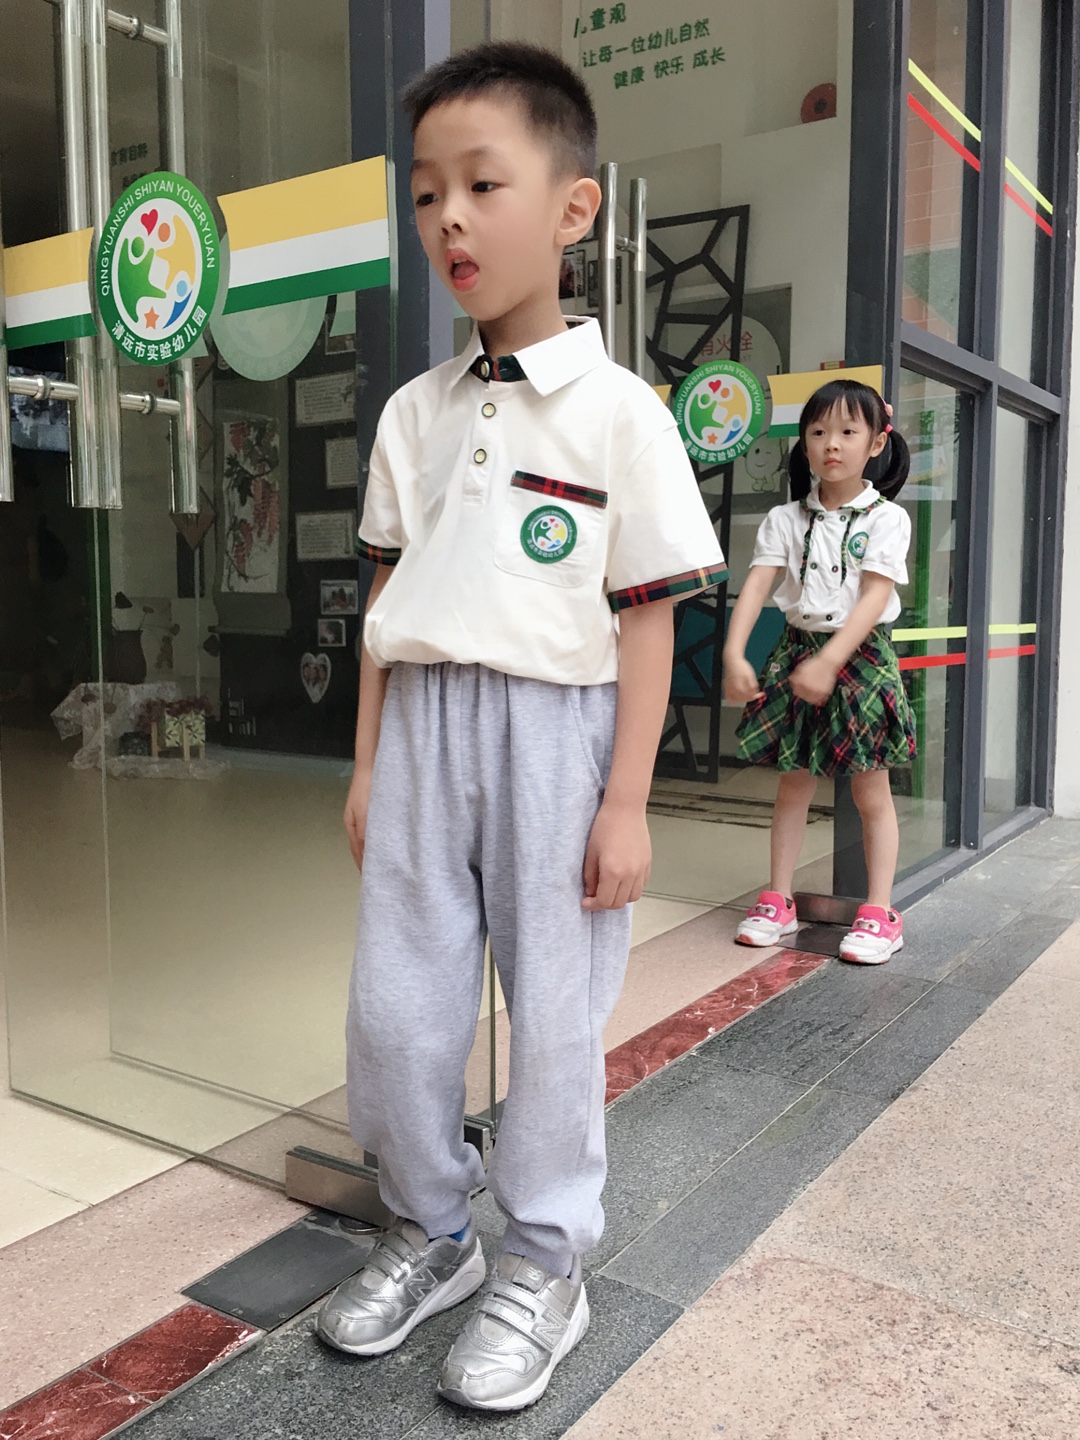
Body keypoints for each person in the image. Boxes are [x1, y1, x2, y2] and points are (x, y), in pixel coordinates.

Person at [315, 41, 725, 1412]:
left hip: (561, 736)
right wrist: (370, 763)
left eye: (483, 184)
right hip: (423, 731)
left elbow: (650, 617)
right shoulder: (412, 416)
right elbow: (385, 603)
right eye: (427, 193)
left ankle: (545, 1260)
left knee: (554, 1022)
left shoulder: (622, 416)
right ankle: (431, 1227)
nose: (450, 219)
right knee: (396, 1014)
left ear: (572, 208)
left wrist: (628, 801)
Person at [723, 379, 915, 965]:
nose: (832, 443)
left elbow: (874, 597)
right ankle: (778, 900)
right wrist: (734, 653)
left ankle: (880, 913)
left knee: (870, 788)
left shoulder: (888, 518)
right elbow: (757, 584)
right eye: (818, 431)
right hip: (796, 649)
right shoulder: (784, 518)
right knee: (793, 781)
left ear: (876, 443)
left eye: (848, 431)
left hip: (863, 656)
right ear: (804, 443)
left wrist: (830, 661)